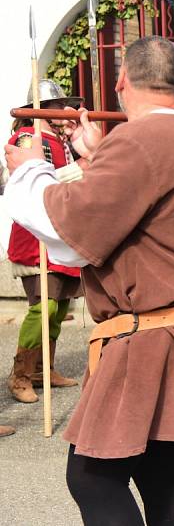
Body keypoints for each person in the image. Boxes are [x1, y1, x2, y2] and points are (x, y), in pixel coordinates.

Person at [4, 36, 174, 524]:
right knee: (159, 472)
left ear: (123, 80)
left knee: (92, 477)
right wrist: (95, 157)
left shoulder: (143, 140)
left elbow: (74, 228)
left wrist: (30, 170)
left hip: (148, 334)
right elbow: (119, 214)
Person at [4, 80, 83, 408]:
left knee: (61, 306)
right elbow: (19, 181)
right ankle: (20, 373)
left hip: (61, 230)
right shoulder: (26, 139)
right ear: (40, 110)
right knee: (45, 306)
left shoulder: (65, 142)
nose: (62, 113)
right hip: (36, 234)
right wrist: (78, 172)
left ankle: (42, 369)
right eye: (55, 107)